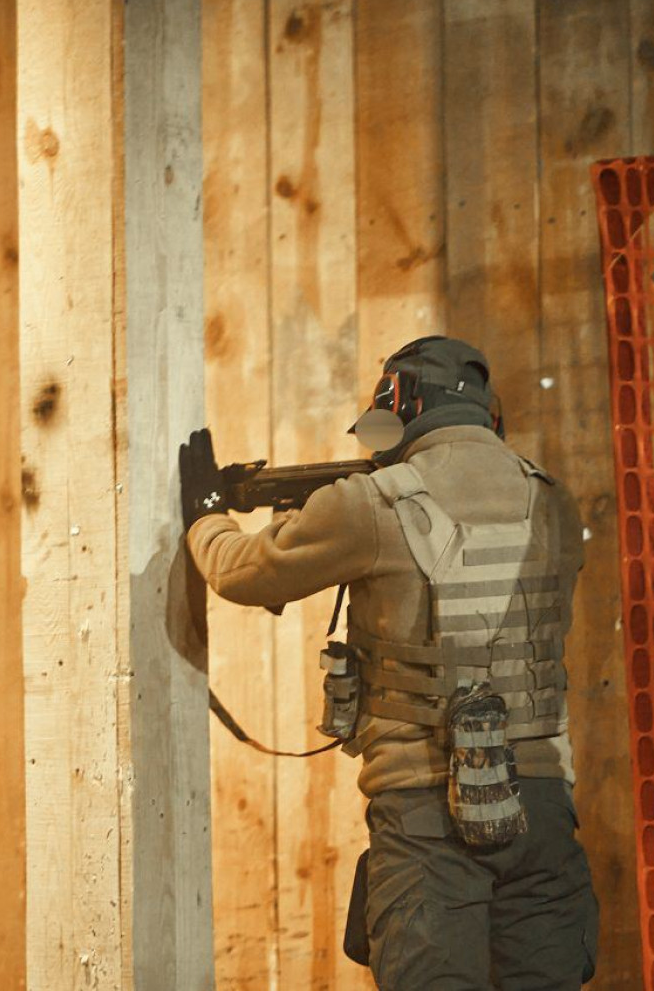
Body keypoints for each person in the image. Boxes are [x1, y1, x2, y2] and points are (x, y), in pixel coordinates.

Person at [180, 337, 598, 990]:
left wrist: (205, 516)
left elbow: (241, 573)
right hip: (543, 803)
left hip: (426, 808)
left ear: (399, 407)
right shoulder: (553, 501)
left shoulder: (371, 504)